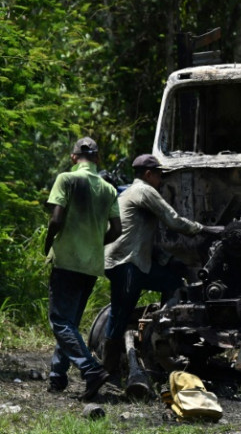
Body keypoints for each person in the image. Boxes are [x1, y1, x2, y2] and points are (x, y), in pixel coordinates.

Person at [102, 154, 223, 373]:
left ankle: (161, 331)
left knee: (172, 281)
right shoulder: (145, 191)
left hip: (124, 261)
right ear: (148, 175)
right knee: (119, 315)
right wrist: (205, 230)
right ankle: (107, 370)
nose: (162, 181)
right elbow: (173, 220)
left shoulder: (130, 191)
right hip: (128, 263)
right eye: (159, 175)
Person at [44, 136, 122, 400]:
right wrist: (95, 243)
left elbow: (56, 219)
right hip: (91, 265)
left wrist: (47, 242)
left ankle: (91, 370)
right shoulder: (109, 190)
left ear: (74, 157)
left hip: (67, 260)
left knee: (59, 321)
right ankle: (57, 375)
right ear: (97, 158)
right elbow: (117, 230)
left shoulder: (66, 179)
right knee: (71, 322)